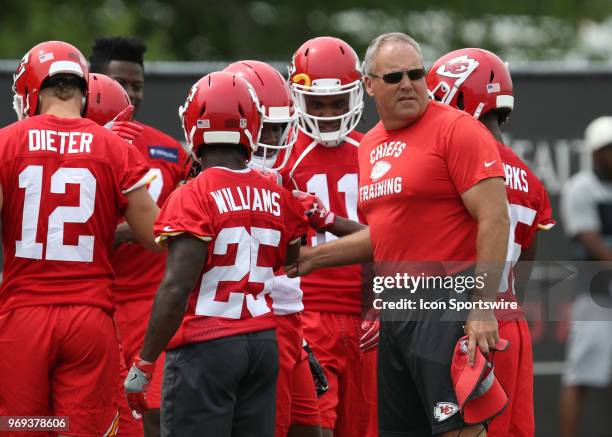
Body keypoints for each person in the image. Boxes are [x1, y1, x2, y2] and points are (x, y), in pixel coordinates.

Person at [287, 32, 511, 436]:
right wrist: (309, 259)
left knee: (459, 428)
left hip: (447, 299)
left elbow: (495, 219)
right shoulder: (369, 145)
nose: (407, 84)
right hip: (396, 305)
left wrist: (481, 307)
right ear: (369, 84)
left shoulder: (456, 129)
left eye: (415, 73)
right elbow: (388, 235)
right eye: (393, 77)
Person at [123, 71, 309, 437]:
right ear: (252, 127)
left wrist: (145, 361)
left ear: (194, 126)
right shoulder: (277, 192)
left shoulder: (192, 194)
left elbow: (177, 286)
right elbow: (289, 259)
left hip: (206, 345)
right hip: (262, 343)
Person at [0, 40, 159, 437]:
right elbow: (158, 237)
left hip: (24, 315)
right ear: (85, 91)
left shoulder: (6, 142)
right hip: (89, 320)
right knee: (81, 430)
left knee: (24, 427)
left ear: (32, 89)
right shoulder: (113, 148)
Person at [427, 47, 555, 437]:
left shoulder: (453, 163)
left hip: (465, 321)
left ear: (458, 97)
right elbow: (528, 258)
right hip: (509, 321)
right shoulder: (529, 178)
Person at [90, 36, 187, 436]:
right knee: (101, 416)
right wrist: (133, 230)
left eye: (137, 84)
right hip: (96, 303)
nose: (130, 94)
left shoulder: (168, 150)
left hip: (153, 305)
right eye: (120, 84)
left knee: (159, 409)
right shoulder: (78, 146)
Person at [283, 36, 377, 437]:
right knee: (313, 426)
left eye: (337, 103)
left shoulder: (375, 150)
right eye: (317, 104)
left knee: (366, 427)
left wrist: (378, 305)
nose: (327, 114)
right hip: (310, 312)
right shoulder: (284, 152)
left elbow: (392, 237)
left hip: (367, 313)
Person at [224, 59, 323, 437]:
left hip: (287, 317)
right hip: (258, 321)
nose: (274, 136)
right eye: (266, 126)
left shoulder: (280, 176)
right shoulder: (218, 178)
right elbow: (288, 258)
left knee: (307, 428)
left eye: (280, 127)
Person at [559, 116, 612, 437]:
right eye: (608, 149)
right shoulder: (580, 188)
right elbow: (596, 247)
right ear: (594, 153)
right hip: (598, 297)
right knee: (579, 377)